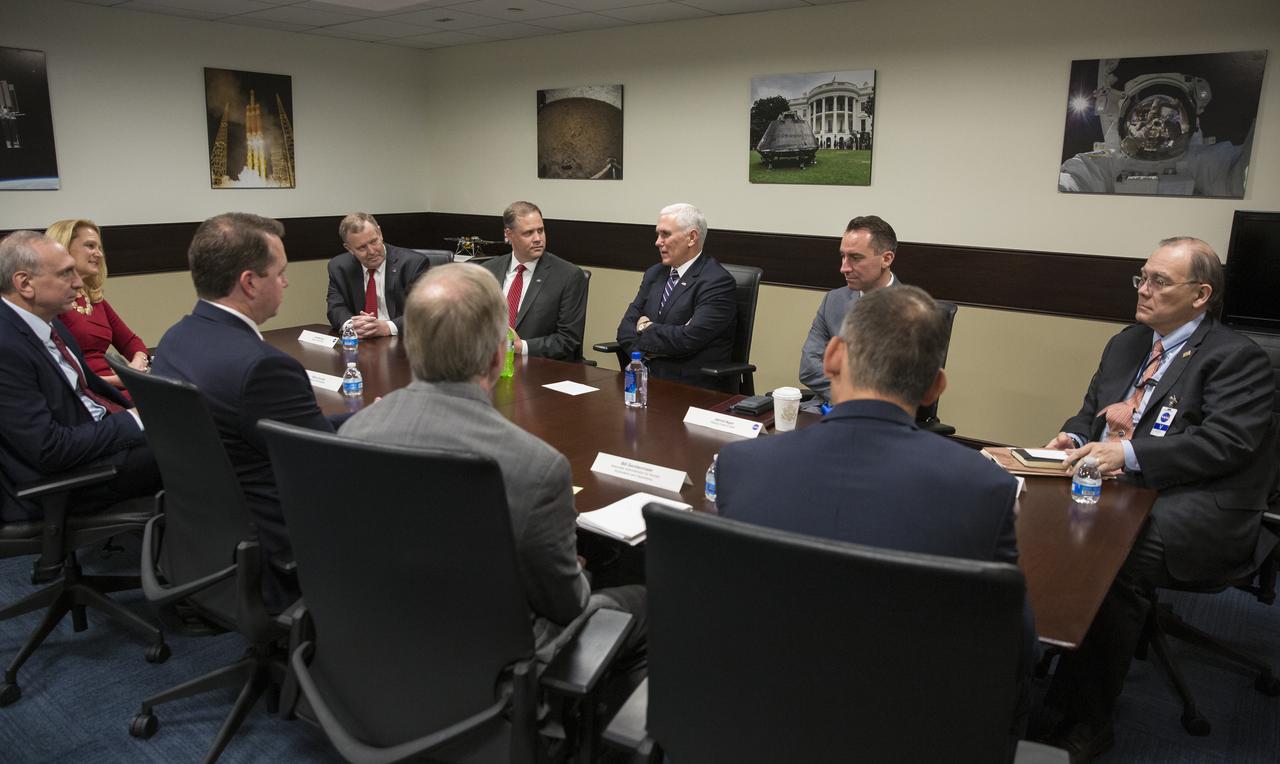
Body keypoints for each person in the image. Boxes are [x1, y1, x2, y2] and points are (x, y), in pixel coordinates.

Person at [716, 285, 1034, 751]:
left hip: (756, 725)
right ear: (935, 387)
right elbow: (1017, 652)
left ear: (832, 357)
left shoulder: (741, 466)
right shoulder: (987, 490)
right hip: (910, 734)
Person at [1040, 237, 1276, 761]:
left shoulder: (1237, 358)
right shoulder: (1128, 342)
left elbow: (1225, 445)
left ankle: (1084, 718)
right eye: (1141, 278)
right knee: (1035, 517)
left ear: (1200, 295)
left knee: (1116, 554)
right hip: (1124, 488)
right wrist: (1074, 439)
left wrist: (1126, 455)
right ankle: (1038, 658)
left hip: (1204, 502)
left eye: (1159, 282)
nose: (1143, 291)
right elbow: (1090, 413)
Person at [340, 263, 645, 664]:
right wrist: (576, 571)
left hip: (380, 643)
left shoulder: (356, 431)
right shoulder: (536, 467)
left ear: (410, 345)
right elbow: (566, 606)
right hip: (495, 667)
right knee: (640, 596)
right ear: (498, 353)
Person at [152, 213, 339, 605]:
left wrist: (364, 417)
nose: (286, 282)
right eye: (281, 273)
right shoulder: (264, 367)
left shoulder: (175, 338)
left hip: (206, 538)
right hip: (278, 544)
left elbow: (287, 432)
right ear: (250, 283)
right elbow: (326, 469)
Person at [0, 230, 158, 521]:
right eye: (65, 273)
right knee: (197, 448)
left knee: (188, 430)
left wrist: (146, 409)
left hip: (91, 443)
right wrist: (134, 419)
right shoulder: (6, 346)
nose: (77, 282)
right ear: (24, 283)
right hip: (58, 481)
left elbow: (91, 390)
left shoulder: (51, 323)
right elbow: (47, 450)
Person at [615, 203, 735, 390]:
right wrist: (644, 354)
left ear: (692, 238)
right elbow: (624, 329)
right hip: (645, 378)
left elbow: (688, 339)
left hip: (690, 387)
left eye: (666, 234)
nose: (657, 242)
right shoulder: (655, 273)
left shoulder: (717, 282)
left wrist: (644, 328)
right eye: (657, 234)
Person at [799, 214, 899, 404]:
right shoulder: (834, 300)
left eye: (855, 258)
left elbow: (894, 386)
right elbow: (809, 367)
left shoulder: (913, 313)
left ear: (886, 259)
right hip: (823, 408)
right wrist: (847, 398)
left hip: (879, 419)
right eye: (843, 256)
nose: (844, 268)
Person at [46, 218, 149, 396]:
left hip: (116, 386)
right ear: (63, 249)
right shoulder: (51, 303)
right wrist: (119, 380)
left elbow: (132, 342)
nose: (99, 254)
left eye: (99, 248)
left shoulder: (94, 299)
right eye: (90, 246)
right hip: (87, 393)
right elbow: (59, 372)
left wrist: (138, 362)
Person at [481, 201, 588, 361]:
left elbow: (568, 340)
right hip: (489, 364)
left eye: (541, 230)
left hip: (541, 369)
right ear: (509, 235)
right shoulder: (488, 271)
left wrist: (520, 347)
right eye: (528, 233)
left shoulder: (569, 276)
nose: (538, 238)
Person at [325, 212, 430, 338]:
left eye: (374, 241)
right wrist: (352, 325)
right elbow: (335, 307)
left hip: (403, 340)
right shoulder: (339, 267)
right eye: (362, 248)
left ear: (380, 233)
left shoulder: (413, 264)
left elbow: (423, 312)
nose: (371, 251)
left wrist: (387, 327)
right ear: (349, 248)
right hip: (361, 341)